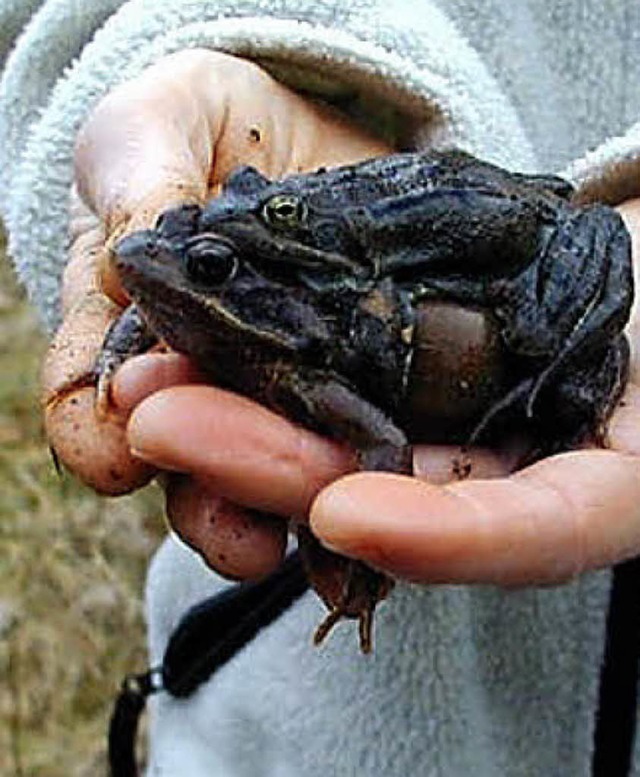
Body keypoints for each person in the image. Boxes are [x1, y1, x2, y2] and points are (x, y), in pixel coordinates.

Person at [2, 1, 640, 774]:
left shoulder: (347, 265)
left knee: (538, 336)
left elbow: (386, 388)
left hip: (533, 233)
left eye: (216, 260)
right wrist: (210, 50)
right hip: (278, 720)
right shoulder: (302, 256)